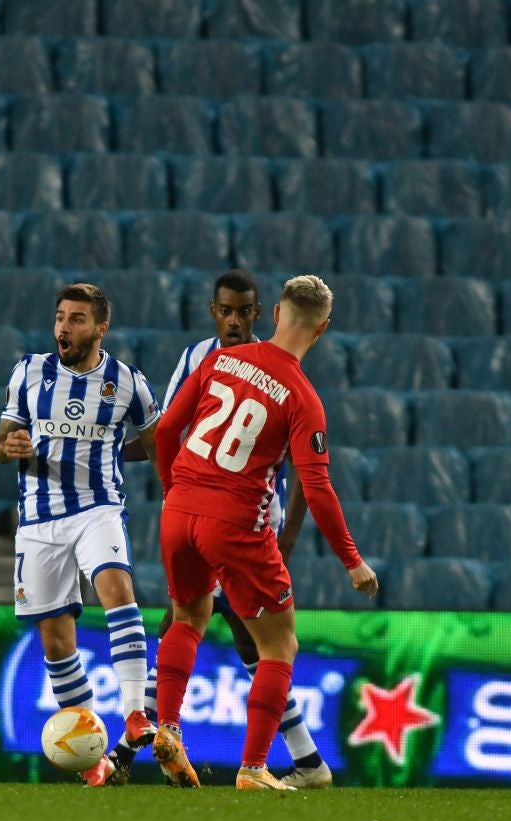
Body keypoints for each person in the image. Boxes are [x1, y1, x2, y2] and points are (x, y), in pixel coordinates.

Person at [106, 270, 331, 789]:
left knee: (224, 637)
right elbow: (165, 431)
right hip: (205, 519)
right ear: (214, 310)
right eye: (225, 310)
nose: (233, 320)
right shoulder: (199, 359)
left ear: (262, 314)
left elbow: (304, 471)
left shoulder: (269, 365)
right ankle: (301, 763)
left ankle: (136, 747)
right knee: (244, 643)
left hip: (245, 527)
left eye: (243, 311)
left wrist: (287, 538)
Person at [150, 275, 378, 790]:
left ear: (274, 313)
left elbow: (166, 431)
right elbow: (315, 488)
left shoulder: (216, 360)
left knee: (188, 615)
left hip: (179, 510)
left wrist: (173, 489)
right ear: (321, 331)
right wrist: (351, 560)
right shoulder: (302, 396)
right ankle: (253, 768)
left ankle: (167, 726)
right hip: (236, 523)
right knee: (279, 647)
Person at [0, 282, 163, 787]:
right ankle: (94, 759)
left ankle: (135, 714)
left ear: (100, 329)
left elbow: (156, 445)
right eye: (61, 317)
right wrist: (13, 445)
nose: (64, 327)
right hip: (39, 521)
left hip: (97, 509)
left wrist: (112, 451)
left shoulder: (128, 382)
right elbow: (0, 444)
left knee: (117, 589)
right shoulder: (28, 372)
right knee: (56, 639)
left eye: (77, 319)